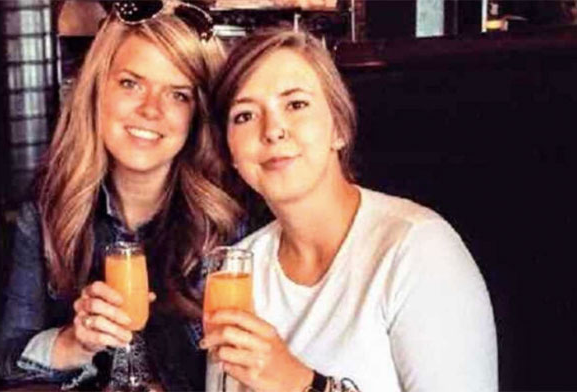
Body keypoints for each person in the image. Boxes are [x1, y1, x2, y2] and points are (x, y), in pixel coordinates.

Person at [201, 28, 498, 392]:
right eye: (245, 115)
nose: (273, 130)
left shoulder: (416, 249)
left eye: (296, 105)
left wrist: (303, 385)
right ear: (231, 153)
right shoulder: (239, 266)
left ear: (338, 128)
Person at [0, 2, 243, 390]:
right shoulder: (48, 210)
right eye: (131, 83)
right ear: (97, 89)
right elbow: (10, 359)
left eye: (178, 94)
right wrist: (75, 342)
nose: (150, 110)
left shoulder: (231, 222)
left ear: (198, 114)